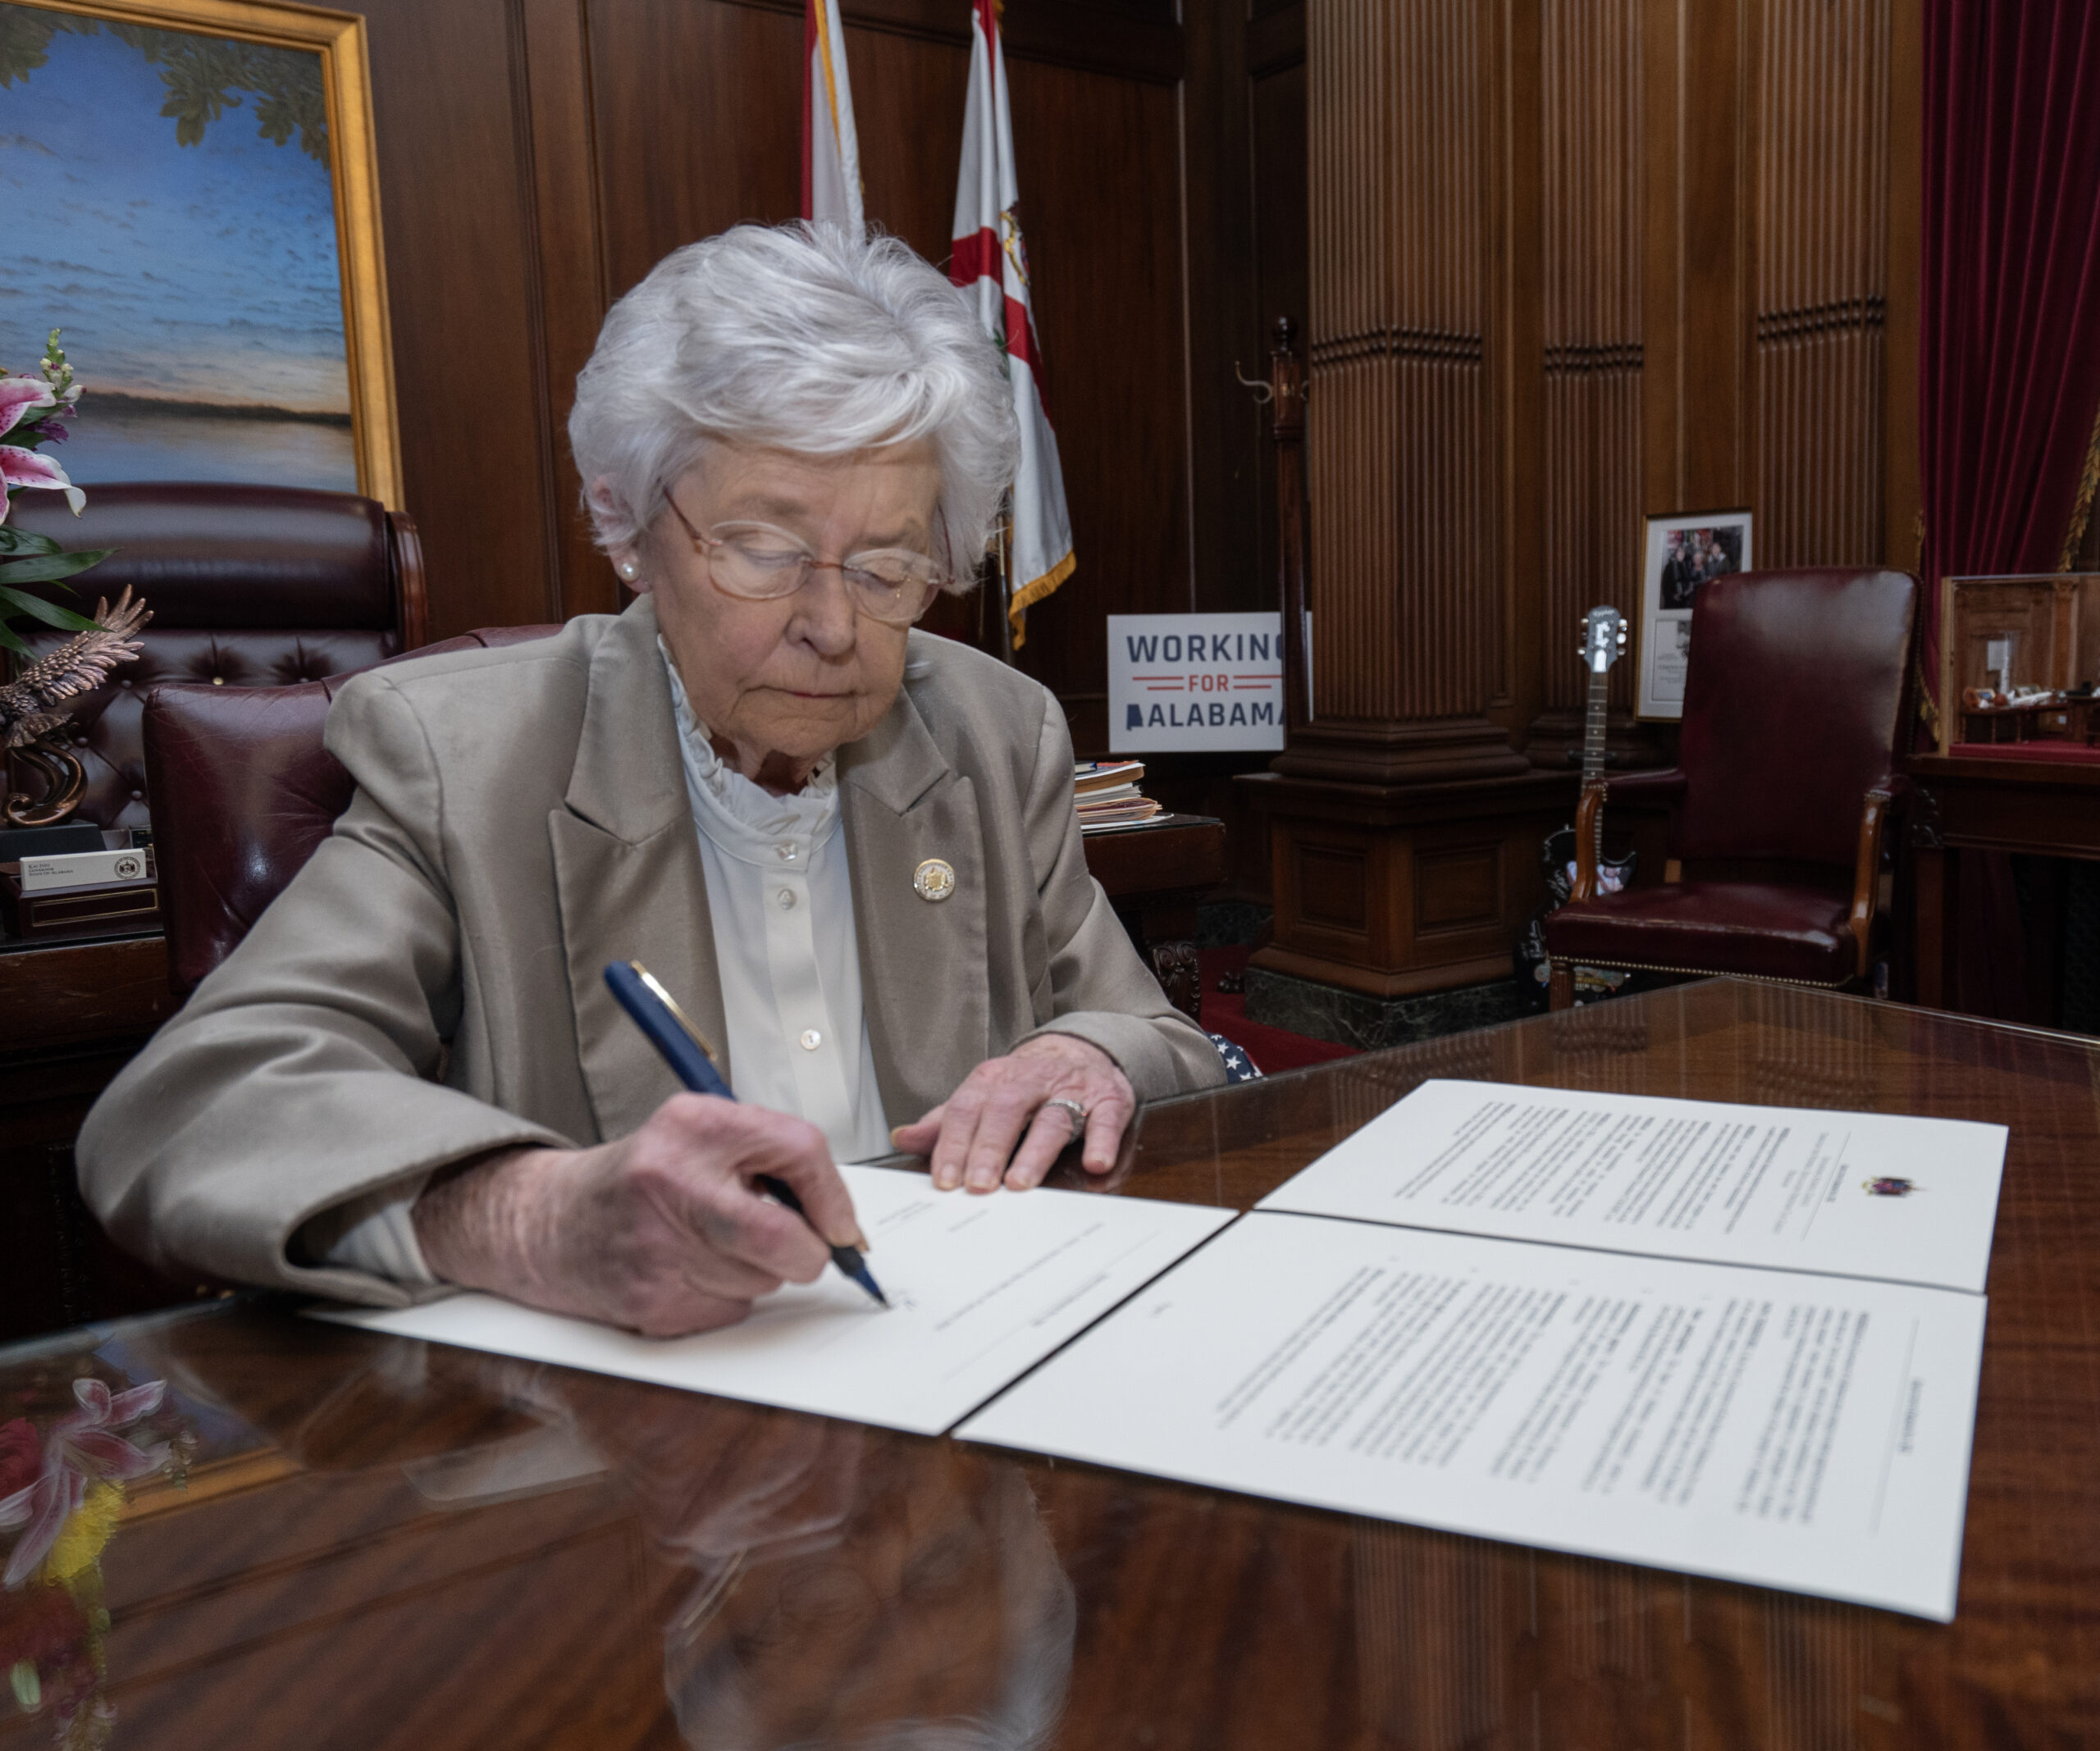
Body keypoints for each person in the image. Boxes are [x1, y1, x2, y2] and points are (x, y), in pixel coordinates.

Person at [77, 222, 1224, 1337]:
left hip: (958, 1364)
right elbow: (193, 1112)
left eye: (889, 564)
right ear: (629, 531)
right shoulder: (464, 759)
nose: (835, 626)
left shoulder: (993, 729)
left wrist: (1084, 1058)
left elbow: (1160, 1041)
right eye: (765, 551)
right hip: (623, 1450)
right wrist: (528, 1215)